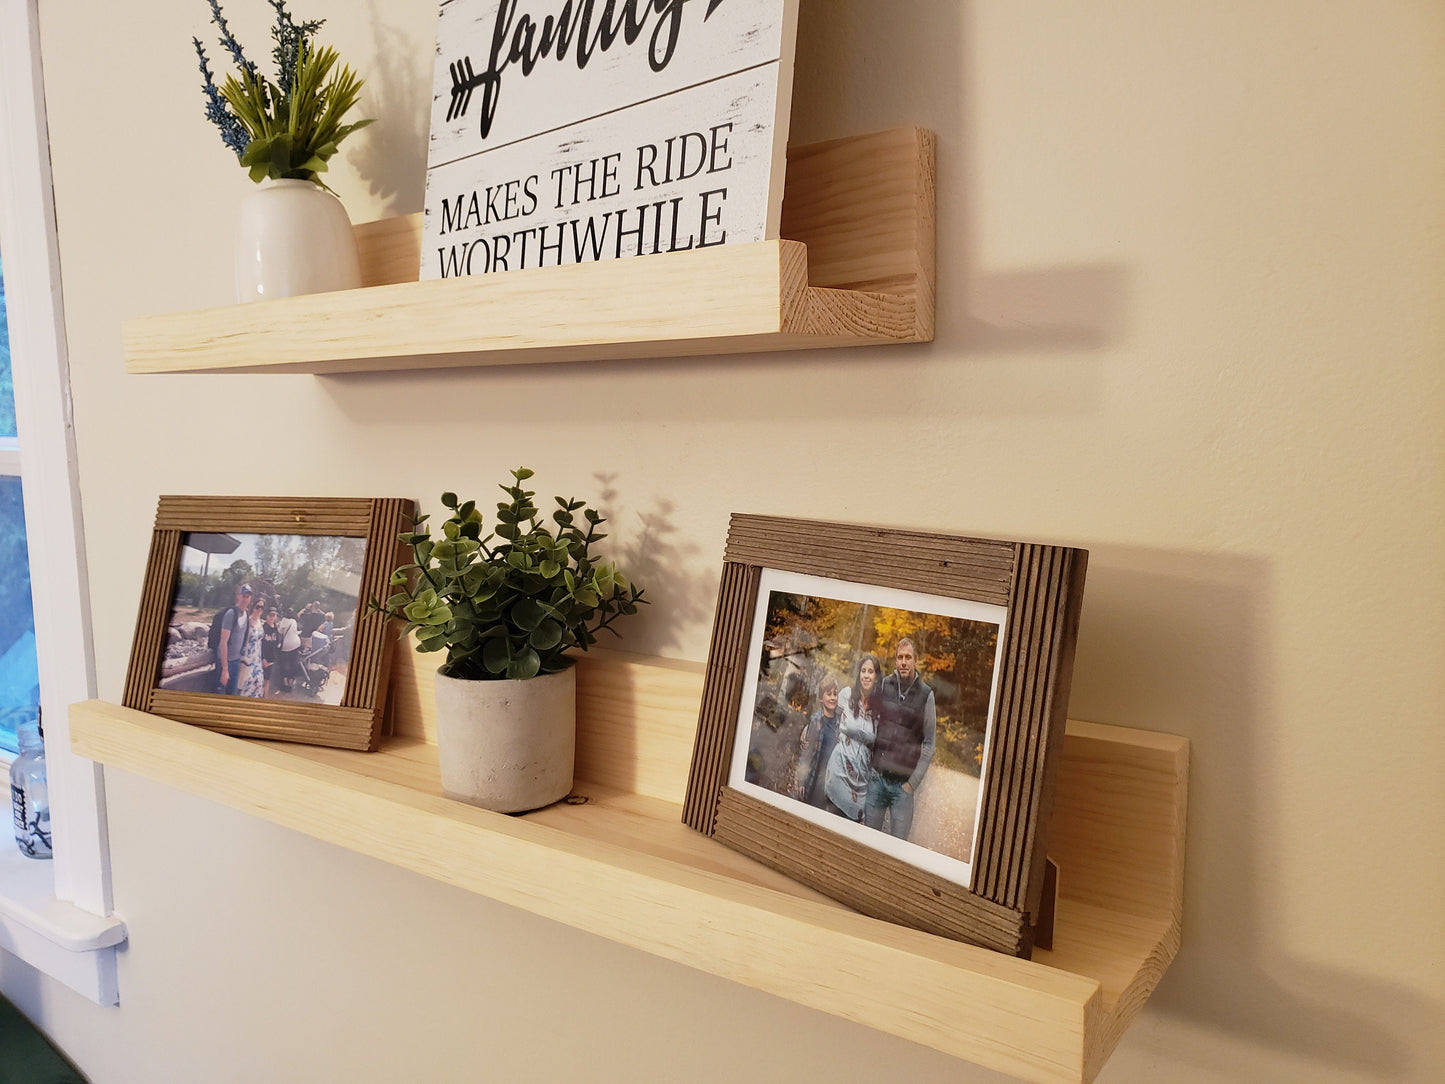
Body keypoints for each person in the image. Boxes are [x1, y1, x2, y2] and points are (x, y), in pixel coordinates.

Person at [865, 637, 937, 840]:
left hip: (903, 788)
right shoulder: (884, 685)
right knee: (868, 841)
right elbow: (867, 717)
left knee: (897, 848)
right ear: (896, 660)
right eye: (900, 657)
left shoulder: (926, 695)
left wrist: (912, 783)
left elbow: (929, 743)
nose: (904, 662)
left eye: (908, 657)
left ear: (915, 661)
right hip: (877, 780)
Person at [822, 654, 882, 821]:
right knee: (828, 824)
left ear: (877, 677)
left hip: (861, 781)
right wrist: (811, 728)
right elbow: (828, 716)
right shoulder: (846, 695)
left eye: (870, 671)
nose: (866, 675)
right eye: (863, 671)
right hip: (838, 770)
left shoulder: (879, 710)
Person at [789, 672, 841, 809]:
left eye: (835, 694)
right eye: (829, 694)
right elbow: (806, 754)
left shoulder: (841, 722)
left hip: (831, 780)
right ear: (821, 698)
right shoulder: (815, 721)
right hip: (815, 776)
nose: (833, 698)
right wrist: (801, 781)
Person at [214, 583, 253, 695]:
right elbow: (223, 642)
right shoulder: (231, 614)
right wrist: (225, 669)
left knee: (233, 694)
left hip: (236, 661)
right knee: (220, 694)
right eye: (243, 596)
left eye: (248, 596)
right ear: (238, 596)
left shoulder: (246, 614)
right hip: (224, 662)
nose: (245, 599)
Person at [237, 598, 267, 698]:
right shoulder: (247, 622)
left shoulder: (260, 622)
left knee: (258, 684)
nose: (259, 609)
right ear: (253, 607)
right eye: (257, 607)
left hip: (257, 658)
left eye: (262, 607)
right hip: (247, 659)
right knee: (246, 685)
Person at [276, 607, 302, 693]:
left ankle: (285, 683)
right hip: (296, 643)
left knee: (283, 664)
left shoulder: (283, 621)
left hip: (286, 645)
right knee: (293, 664)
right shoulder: (294, 621)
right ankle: (290, 683)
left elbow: (279, 632)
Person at [261, 607, 280, 696]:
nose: (272, 617)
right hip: (263, 658)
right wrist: (263, 658)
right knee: (260, 680)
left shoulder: (276, 628)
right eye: (270, 615)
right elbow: (260, 645)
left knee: (267, 680)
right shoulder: (263, 628)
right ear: (267, 616)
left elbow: (276, 644)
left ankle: (265, 697)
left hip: (271, 659)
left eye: (273, 615)